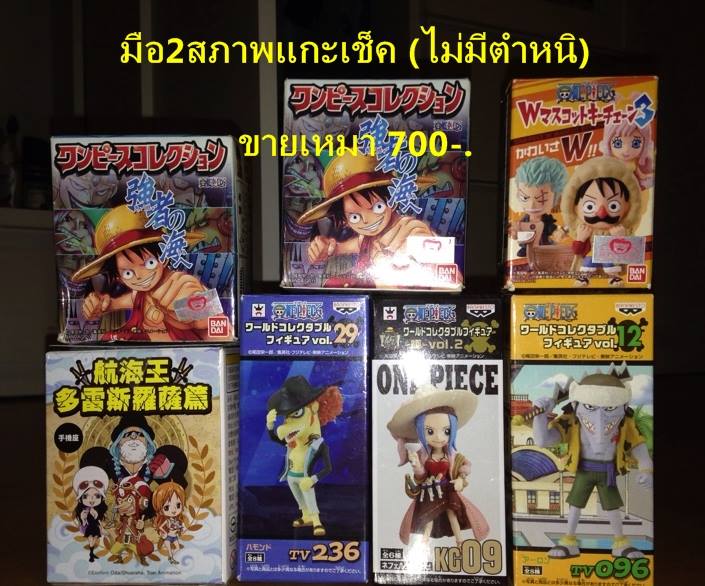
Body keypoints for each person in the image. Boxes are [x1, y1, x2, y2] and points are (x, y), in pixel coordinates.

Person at [532, 366, 653, 559]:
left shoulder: (626, 423)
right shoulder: (571, 420)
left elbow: (639, 447)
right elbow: (543, 441)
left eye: (609, 409)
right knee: (575, 506)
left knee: (612, 508)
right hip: (584, 470)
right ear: (577, 404)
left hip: (607, 472)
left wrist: (646, 470)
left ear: (623, 406)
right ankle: (568, 541)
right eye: (590, 407)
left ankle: (621, 543)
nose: (600, 417)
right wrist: (539, 417)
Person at [70, 204, 228, 340]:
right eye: (128, 273)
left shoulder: (181, 285)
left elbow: (221, 328)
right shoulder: (140, 295)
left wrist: (193, 308)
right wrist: (99, 304)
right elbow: (115, 303)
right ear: (119, 277)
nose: (140, 276)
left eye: (149, 263)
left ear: (163, 257)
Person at [297, 152, 435, 287]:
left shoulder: (411, 229)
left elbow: (433, 268)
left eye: (378, 207)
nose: (367, 221)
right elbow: (339, 247)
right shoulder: (366, 239)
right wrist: (325, 247)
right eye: (355, 217)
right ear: (345, 220)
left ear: (392, 199)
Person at [387, 386, 489, 546]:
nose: (439, 437)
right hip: (431, 491)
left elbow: (464, 468)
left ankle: (459, 541)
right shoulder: (423, 456)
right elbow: (421, 476)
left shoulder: (454, 457)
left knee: (452, 514)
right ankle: (424, 543)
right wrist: (416, 465)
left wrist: (461, 480)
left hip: (448, 489)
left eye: (446, 431)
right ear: (421, 431)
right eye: (430, 431)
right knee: (429, 517)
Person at [265, 376, 344, 537]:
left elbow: (328, 468)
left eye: (297, 413)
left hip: (305, 478)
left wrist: (313, 479)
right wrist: (270, 425)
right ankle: (305, 516)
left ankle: (316, 521)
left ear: (313, 408)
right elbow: (275, 437)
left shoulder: (318, 445)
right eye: (287, 417)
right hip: (291, 477)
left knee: (309, 496)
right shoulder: (293, 442)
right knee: (300, 500)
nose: (285, 425)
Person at [561, 157, 643, 287]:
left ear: (628, 206)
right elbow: (577, 251)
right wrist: (581, 238)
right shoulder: (583, 230)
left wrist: (621, 238)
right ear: (574, 206)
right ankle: (583, 278)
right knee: (588, 262)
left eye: (613, 206)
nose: (601, 213)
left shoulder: (621, 229)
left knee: (609, 262)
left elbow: (629, 254)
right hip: (590, 256)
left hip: (609, 258)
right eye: (589, 206)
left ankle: (614, 277)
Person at [509, 156, 568, 257]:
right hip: (527, 248)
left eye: (541, 199)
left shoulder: (547, 221)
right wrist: (514, 233)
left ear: (557, 197)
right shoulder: (524, 220)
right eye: (525, 198)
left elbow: (556, 233)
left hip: (545, 250)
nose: (531, 205)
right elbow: (515, 233)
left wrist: (562, 231)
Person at [73, 466, 109, 562]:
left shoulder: (98, 510)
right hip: (89, 527)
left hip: (96, 527)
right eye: (86, 496)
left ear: (102, 498)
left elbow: (100, 520)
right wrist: (83, 519)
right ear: (80, 499)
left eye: (97, 496)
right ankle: (91, 555)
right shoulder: (84, 511)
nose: (92, 500)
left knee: (95, 539)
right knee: (91, 540)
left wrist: (98, 520)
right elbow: (83, 524)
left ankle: (91, 554)